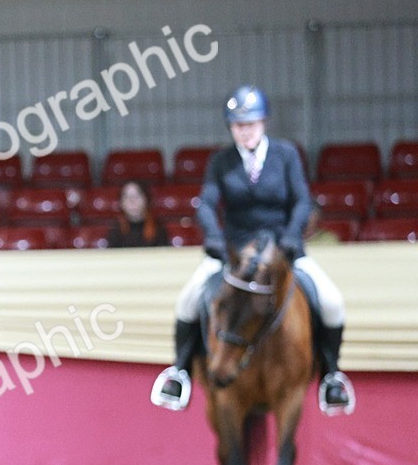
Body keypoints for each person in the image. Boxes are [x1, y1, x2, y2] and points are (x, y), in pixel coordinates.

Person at [151, 86, 354, 413]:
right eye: (238, 125)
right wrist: (215, 239)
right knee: (186, 302)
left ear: (263, 123)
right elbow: (206, 204)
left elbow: (302, 200)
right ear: (231, 127)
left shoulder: (286, 155)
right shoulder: (221, 161)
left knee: (332, 302)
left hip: (283, 251)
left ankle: (331, 376)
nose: (245, 131)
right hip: (234, 254)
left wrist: (291, 236)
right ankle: (180, 372)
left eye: (251, 124)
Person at [107, 181, 168, 247]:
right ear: (121, 203)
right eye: (126, 197)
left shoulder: (158, 228)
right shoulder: (115, 230)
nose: (132, 201)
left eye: (137, 196)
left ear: (146, 200)